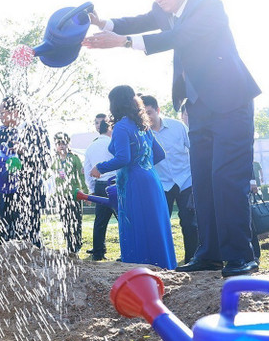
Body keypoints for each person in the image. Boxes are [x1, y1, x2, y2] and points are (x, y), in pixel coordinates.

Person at [84, 0, 261, 278]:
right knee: (203, 182)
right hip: (198, 106)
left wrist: (124, 43)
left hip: (231, 102)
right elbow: (138, 20)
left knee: (226, 179)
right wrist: (104, 23)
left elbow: (180, 36)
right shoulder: (162, 10)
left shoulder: (209, 6)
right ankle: (210, 253)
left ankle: (240, 256)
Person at [90, 86, 176, 269]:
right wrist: (145, 164)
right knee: (155, 225)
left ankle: (140, 269)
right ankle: (164, 266)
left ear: (115, 104)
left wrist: (100, 167)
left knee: (136, 226)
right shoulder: (142, 125)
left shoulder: (121, 126)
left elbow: (123, 158)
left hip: (133, 183)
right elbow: (160, 154)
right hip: (151, 180)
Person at [142, 94, 198, 264]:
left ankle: (192, 258)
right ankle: (163, 260)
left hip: (185, 180)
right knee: (160, 223)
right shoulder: (142, 133)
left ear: (158, 110)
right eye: (143, 114)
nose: (148, 117)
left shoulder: (178, 127)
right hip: (161, 184)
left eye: (150, 112)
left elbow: (195, 149)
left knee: (189, 224)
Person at [0, 96, 49, 247]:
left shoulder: (38, 131)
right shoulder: (1, 134)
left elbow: (46, 162)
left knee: (31, 238)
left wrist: (26, 151)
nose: (0, 116)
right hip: (7, 194)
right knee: (6, 239)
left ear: (16, 112)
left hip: (30, 193)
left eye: (2, 112)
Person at [83, 114, 117, 260]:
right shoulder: (113, 144)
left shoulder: (91, 146)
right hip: (114, 184)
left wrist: (91, 189)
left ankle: (98, 251)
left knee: (100, 221)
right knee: (122, 219)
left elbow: (87, 170)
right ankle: (127, 251)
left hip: (99, 185)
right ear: (110, 127)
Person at [51, 132, 86, 255]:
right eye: (59, 144)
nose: (61, 146)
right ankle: (69, 243)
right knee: (65, 221)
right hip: (61, 196)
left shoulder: (74, 158)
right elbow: (46, 174)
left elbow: (82, 176)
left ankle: (77, 243)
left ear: (68, 144)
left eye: (64, 143)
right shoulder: (53, 160)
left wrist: (86, 193)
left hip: (74, 194)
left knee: (76, 219)